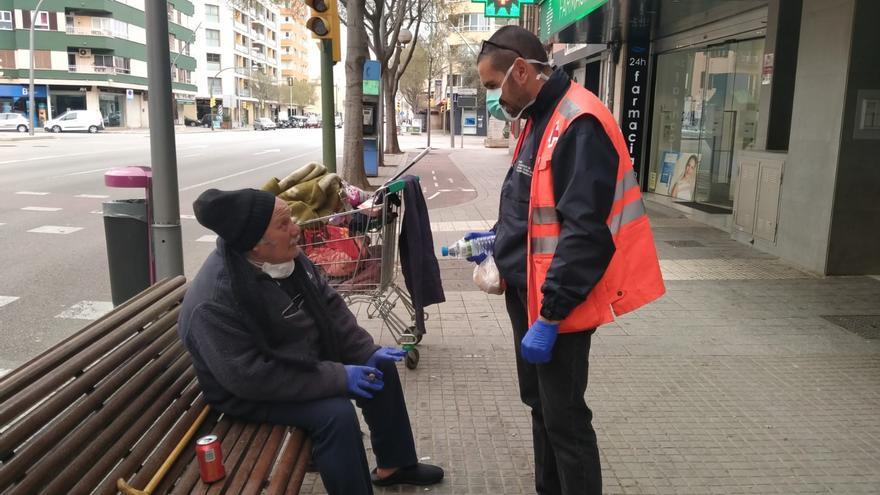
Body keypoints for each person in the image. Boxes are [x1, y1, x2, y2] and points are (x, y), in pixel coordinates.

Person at [469, 26, 665, 495]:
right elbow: (531, 201)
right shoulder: (540, 116)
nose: (493, 98)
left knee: (566, 419)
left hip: (557, 305)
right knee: (540, 405)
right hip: (529, 294)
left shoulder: (578, 122)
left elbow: (586, 233)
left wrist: (553, 315)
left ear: (520, 71)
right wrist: (498, 239)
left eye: (493, 86)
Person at [178, 188, 444, 495]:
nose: (296, 229)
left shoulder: (286, 258)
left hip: (293, 359)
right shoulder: (214, 301)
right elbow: (251, 378)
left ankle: (395, 465)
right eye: (283, 224)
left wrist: (364, 351)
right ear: (254, 244)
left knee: (378, 364)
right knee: (336, 413)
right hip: (245, 391)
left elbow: (330, 306)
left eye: (290, 218)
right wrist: (338, 377)